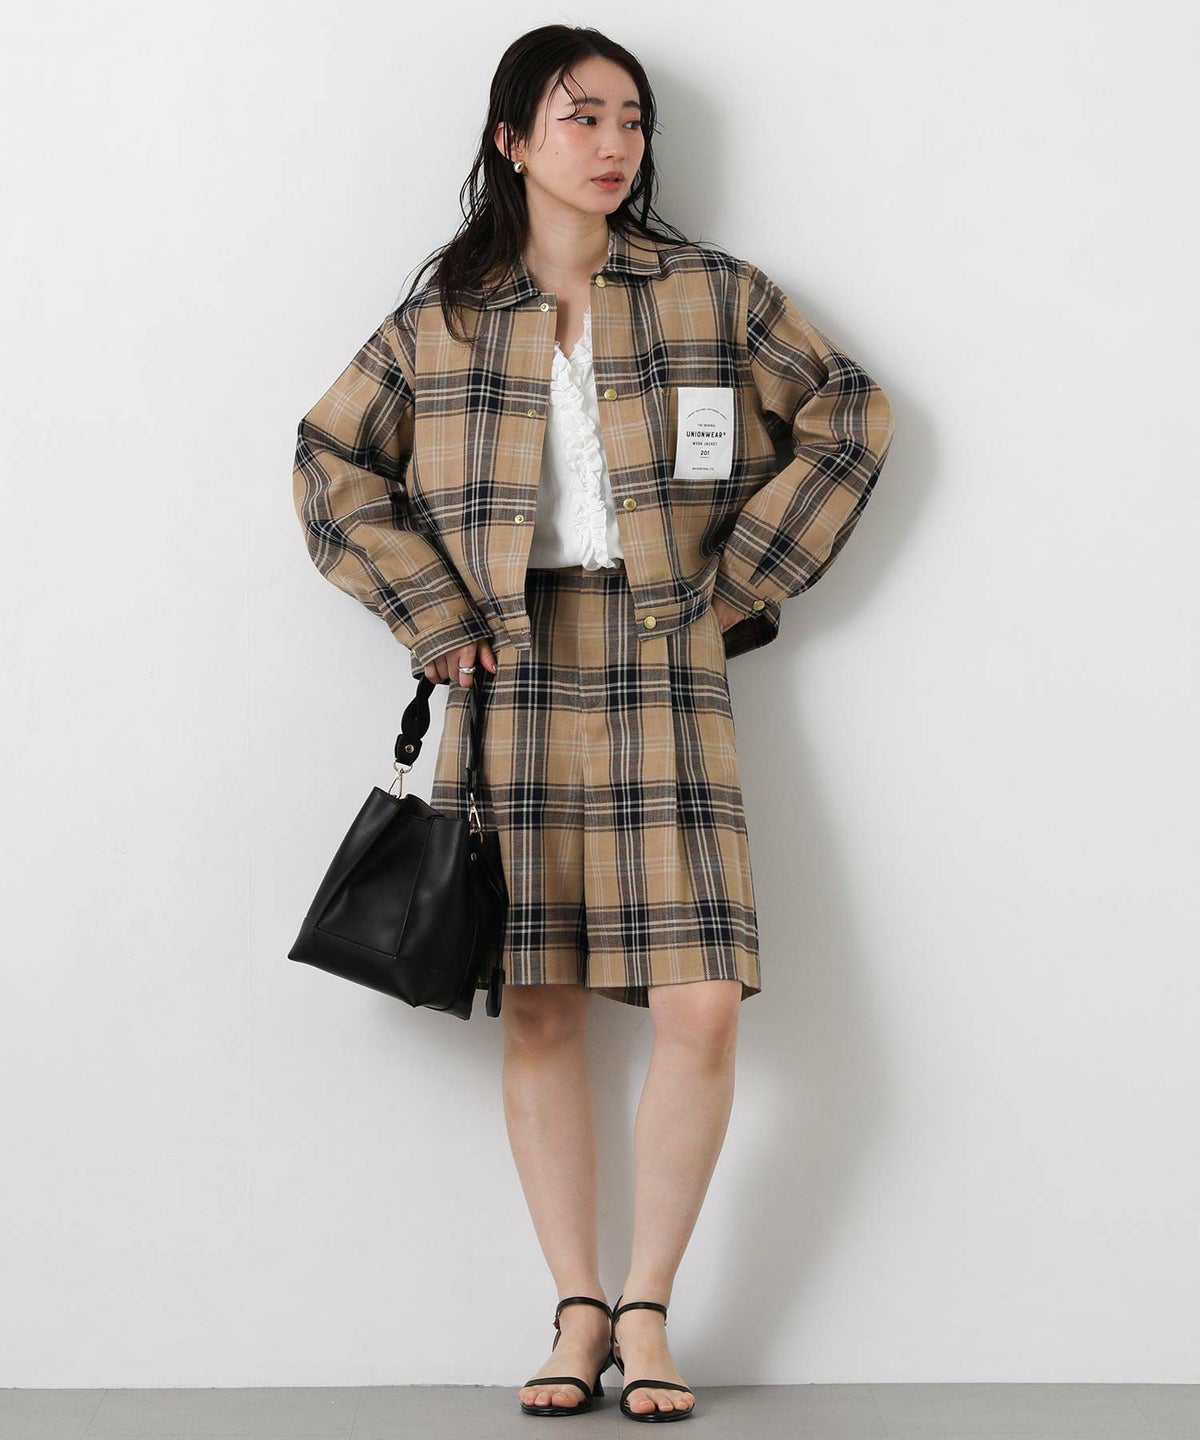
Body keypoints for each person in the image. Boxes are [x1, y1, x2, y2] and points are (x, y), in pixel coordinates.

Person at [292, 24, 895, 1423]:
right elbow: (329, 462)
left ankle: (649, 1310)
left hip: (665, 655)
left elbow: (852, 417)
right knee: (545, 1002)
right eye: (582, 117)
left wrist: (741, 579)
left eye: (632, 119)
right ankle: (576, 1310)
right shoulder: (442, 322)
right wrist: (429, 612)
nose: (615, 143)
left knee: (701, 1002)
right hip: (508, 666)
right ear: (513, 139)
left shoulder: (711, 293)